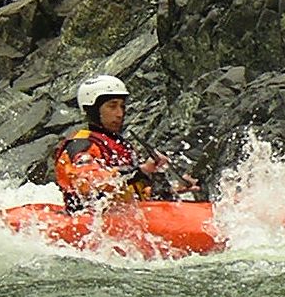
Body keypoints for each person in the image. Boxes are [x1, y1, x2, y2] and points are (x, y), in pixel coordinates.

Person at [49, 74, 195, 212]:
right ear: (92, 109)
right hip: (89, 220)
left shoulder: (120, 145)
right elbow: (87, 183)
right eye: (112, 106)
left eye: (122, 106)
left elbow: (136, 192)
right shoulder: (81, 145)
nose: (120, 113)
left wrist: (173, 188)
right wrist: (140, 171)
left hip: (124, 217)